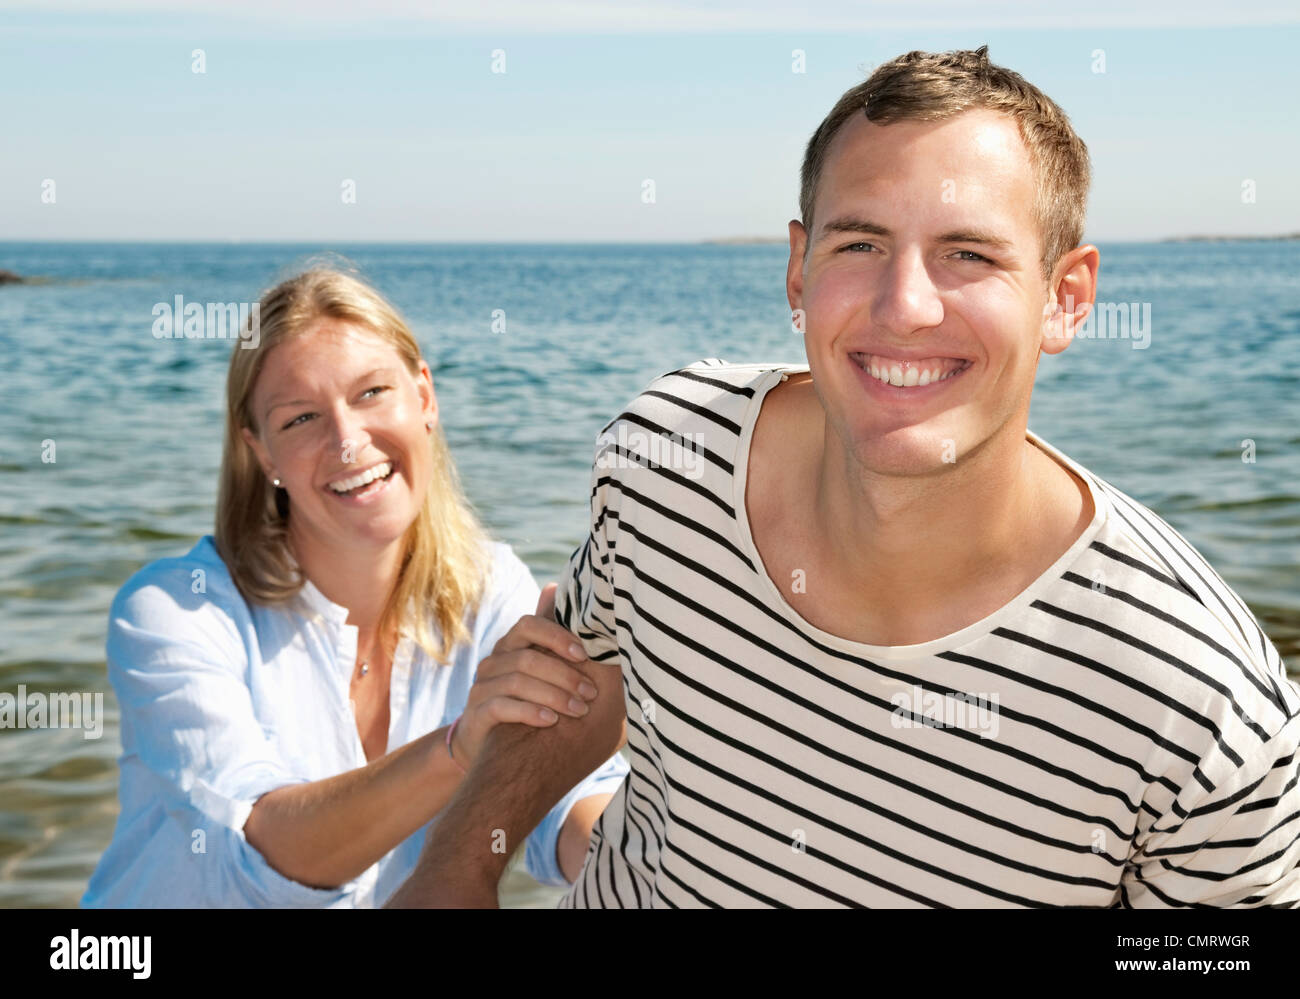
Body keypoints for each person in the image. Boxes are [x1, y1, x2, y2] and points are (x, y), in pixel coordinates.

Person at [388, 46, 1300, 909]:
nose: (904, 304)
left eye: (968, 254)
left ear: (1066, 297)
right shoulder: (667, 459)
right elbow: (578, 679)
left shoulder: (1207, 705)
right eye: (860, 244)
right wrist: (456, 869)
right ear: (798, 269)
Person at [82, 267, 628, 907]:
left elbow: (561, 809)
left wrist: (650, 856)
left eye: (372, 392)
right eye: (302, 418)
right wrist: (461, 748)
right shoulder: (176, 611)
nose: (347, 442)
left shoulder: (491, 589)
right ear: (261, 454)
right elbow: (268, 845)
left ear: (424, 397)